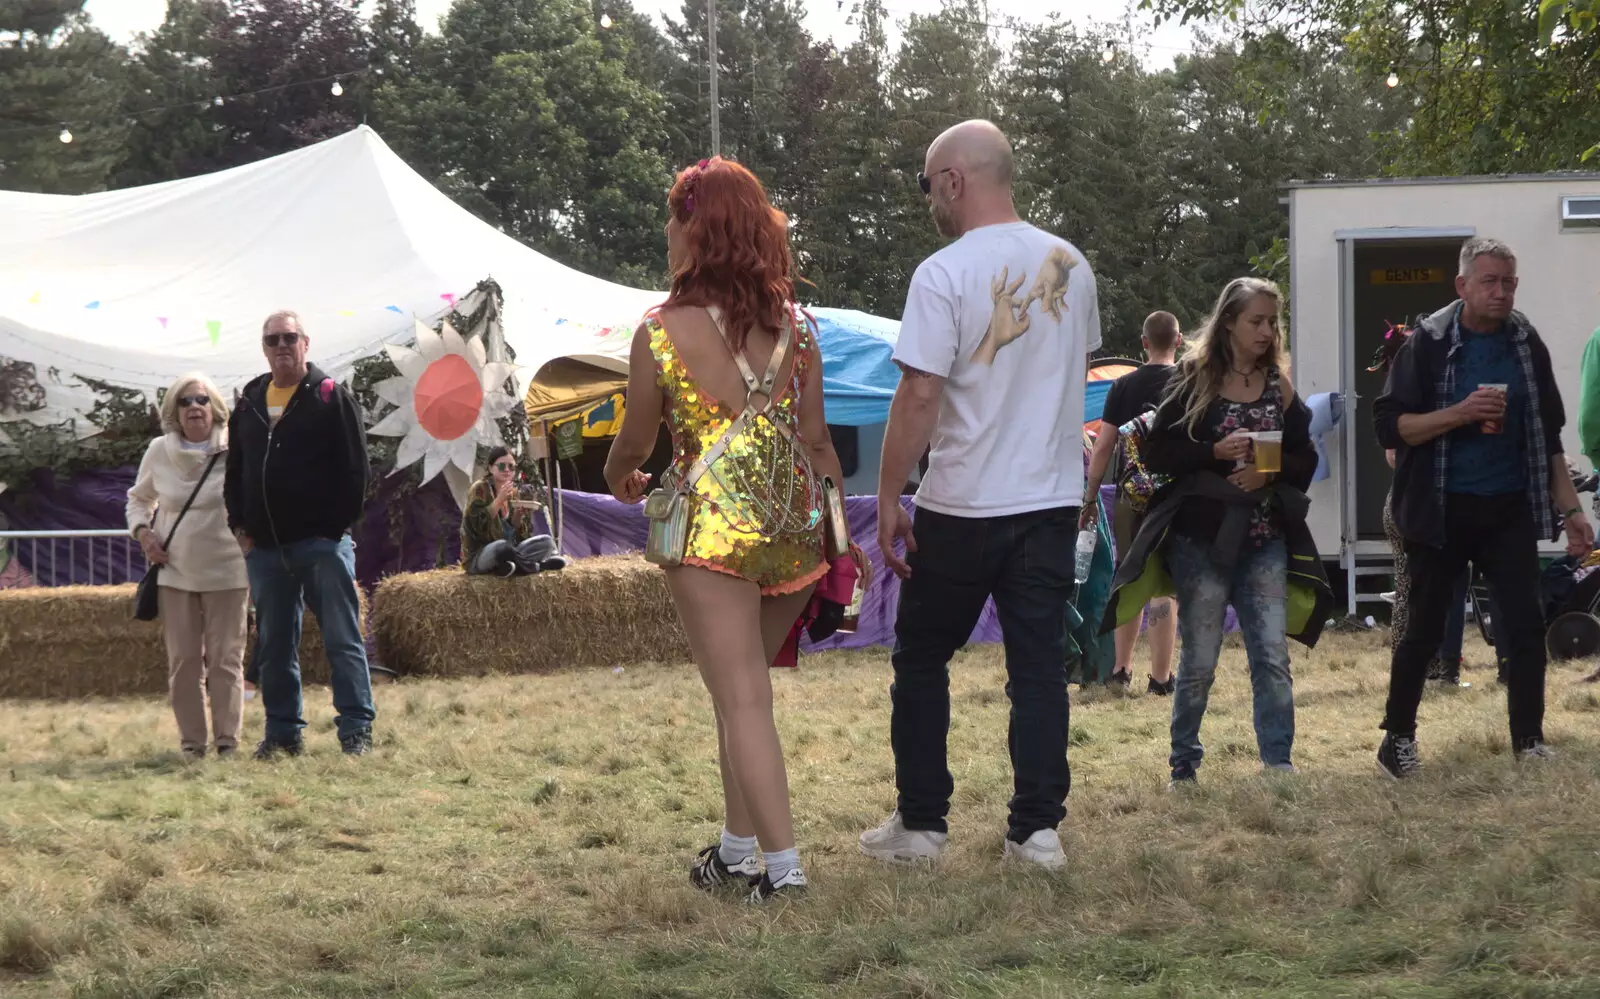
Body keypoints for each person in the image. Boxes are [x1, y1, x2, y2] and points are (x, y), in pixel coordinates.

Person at [604, 157, 856, 903]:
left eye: (672, 219)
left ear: (694, 228)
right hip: (793, 530)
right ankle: (737, 852)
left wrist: (622, 476)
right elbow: (817, 444)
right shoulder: (800, 330)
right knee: (739, 693)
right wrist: (841, 541)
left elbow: (634, 442)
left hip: (707, 535)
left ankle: (785, 873)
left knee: (741, 697)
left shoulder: (660, 331)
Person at [860, 120, 1100, 871]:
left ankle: (924, 823)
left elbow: (921, 393)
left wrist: (891, 492)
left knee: (923, 656)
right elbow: (1071, 382)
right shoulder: (1073, 263)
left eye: (929, 183)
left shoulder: (942, 272)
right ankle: (1036, 832)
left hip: (963, 503)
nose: (929, 198)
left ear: (954, 181)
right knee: (1037, 667)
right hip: (1050, 500)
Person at [1374, 237, 1594, 778]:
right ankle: (1397, 739)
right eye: (1490, 282)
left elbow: (1547, 436)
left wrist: (1572, 514)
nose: (1501, 292)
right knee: (1423, 630)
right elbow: (1392, 428)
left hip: (1508, 508)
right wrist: (1461, 412)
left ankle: (1529, 740)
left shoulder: (1524, 341)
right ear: (1463, 285)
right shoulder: (1426, 343)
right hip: (1440, 507)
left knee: (1524, 626)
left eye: (1509, 282)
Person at [1116, 277, 1328, 789]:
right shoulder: (1192, 379)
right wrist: (1214, 451)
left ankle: (1278, 764)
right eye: (1256, 320)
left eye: (1272, 321)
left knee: (1271, 656)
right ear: (1228, 322)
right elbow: (1158, 451)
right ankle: (1183, 766)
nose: (1266, 330)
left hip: (1265, 538)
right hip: (1201, 542)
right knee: (1200, 660)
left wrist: (1269, 474)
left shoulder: (1279, 384)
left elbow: (1307, 456)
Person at [225, 310, 376, 759]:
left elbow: (357, 470)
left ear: (306, 343)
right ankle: (283, 734)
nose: (282, 345)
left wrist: (333, 531)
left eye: (290, 337)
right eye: (273, 339)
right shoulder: (249, 402)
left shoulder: (330, 397)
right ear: (264, 348)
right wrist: (240, 527)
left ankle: (355, 732)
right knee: (274, 647)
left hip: (321, 544)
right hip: (266, 550)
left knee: (342, 640)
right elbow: (235, 472)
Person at [126, 373, 249, 760]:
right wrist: (144, 533)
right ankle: (192, 745)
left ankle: (228, 742)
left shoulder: (237, 448)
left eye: (201, 400)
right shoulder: (159, 450)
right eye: (185, 402)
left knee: (226, 658)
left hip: (228, 568)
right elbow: (137, 500)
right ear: (174, 413)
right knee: (183, 661)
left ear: (214, 408)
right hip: (175, 570)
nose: (194, 407)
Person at [1082, 310, 1182, 694]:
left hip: (1131, 496)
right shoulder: (1188, 384)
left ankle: (1120, 670)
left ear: (1143, 344)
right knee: (1165, 585)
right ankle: (1160, 679)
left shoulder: (1122, 387)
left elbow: (1104, 445)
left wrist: (1090, 498)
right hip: (1176, 497)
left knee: (1130, 576)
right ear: (1178, 340)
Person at [460, 446, 563, 576]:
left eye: (511, 466)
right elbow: (476, 526)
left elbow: (514, 534)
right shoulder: (480, 489)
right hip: (481, 555)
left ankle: (508, 568)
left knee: (546, 542)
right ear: (491, 468)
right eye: (502, 466)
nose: (507, 470)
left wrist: (517, 517)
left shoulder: (513, 492)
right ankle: (537, 567)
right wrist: (498, 500)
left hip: (510, 551)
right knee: (503, 547)